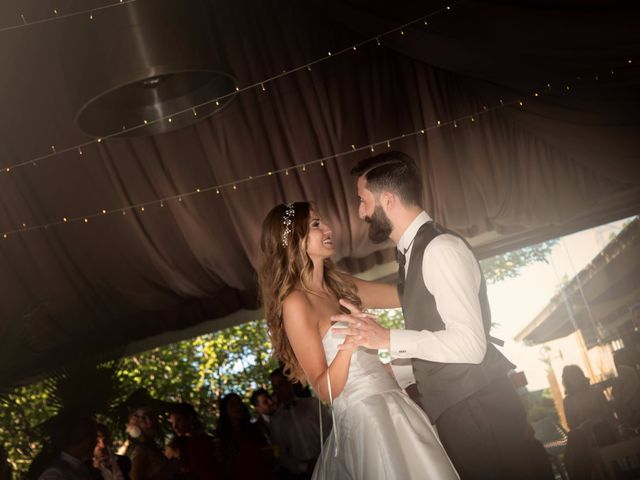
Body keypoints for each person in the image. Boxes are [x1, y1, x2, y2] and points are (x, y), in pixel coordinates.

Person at [333, 151, 554, 480]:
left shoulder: (439, 249)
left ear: (388, 199)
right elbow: (437, 340)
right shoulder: (413, 255)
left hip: (480, 410)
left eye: (362, 200)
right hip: (466, 410)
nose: (361, 211)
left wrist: (387, 338)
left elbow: (470, 345)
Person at [258, 201, 458, 479]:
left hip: (397, 405)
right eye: (316, 224)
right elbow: (325, 389)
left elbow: (407, 295)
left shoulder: (339, 284)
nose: (328, 228)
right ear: (295, 240)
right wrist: (349, 343)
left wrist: (443, 263)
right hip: (365, 419)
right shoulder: (295, 302)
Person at [268, 368, 331, 480]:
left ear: (290, 383)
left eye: (281, 384)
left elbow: (330, 433)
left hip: (329, 464)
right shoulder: (275, 421)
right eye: (275, 387)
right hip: (301, 475)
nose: (279, 390)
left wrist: (322, 459)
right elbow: (282, 455)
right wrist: (305, 467)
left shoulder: (313, 404)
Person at [167, 402, 219, 480]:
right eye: (172, 423)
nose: (175, 426)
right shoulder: (174, 446)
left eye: (178, 421)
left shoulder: (209, 442)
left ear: (190, 418)